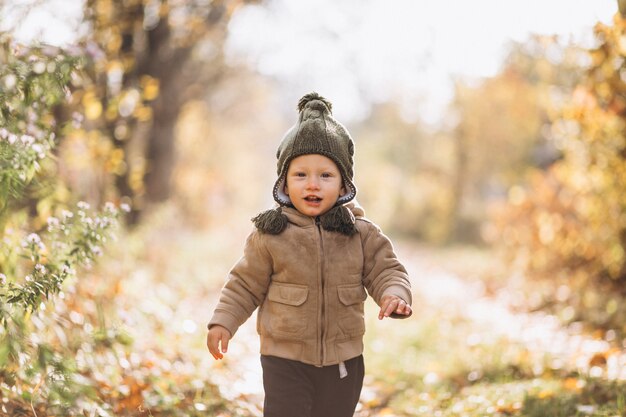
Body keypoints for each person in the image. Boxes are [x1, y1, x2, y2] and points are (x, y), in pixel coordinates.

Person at [206, 92, 412, 417]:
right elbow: (244, 284)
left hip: (344, 358)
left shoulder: (360, 233)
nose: (312, 184)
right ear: (284, 184)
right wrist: (223, 322)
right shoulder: (271, 234)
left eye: (325, 175)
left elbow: (387, 270)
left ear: (344, 186)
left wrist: (393, 294)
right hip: (283, 359)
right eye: (300, 175)